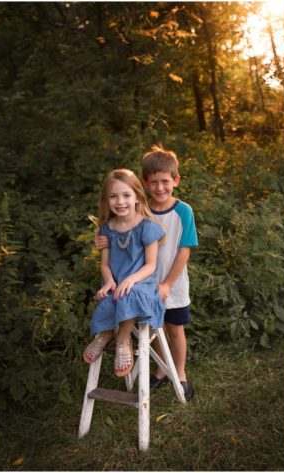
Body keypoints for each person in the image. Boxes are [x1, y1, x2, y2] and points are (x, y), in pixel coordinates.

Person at [96, 146, 197, 400]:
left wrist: (167, 284)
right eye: (154, 182)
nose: (160, 188)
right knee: (154, 328)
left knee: (174, 328)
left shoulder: (183, 211)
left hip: (172, 284)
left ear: (176, 180)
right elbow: (117, 230)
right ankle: (162, 372)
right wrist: (100, 241)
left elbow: (184, 251)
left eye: (165, 182)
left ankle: (180, 373)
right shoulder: (140, 210)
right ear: (145, 184)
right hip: (143, 284)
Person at [84, 169, 165, 378]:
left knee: (126, 293)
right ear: (106, 199)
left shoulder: (147, 227)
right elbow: (104, 264)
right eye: (113, 196)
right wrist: (109, 281)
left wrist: (130, 280)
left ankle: (122, 338)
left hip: (142, 284)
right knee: (108, 296)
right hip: (116, 282)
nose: (120, 201)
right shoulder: (106, 229)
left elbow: (150, 265)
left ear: (138, 196)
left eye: (126, 195)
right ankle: (104, 334)